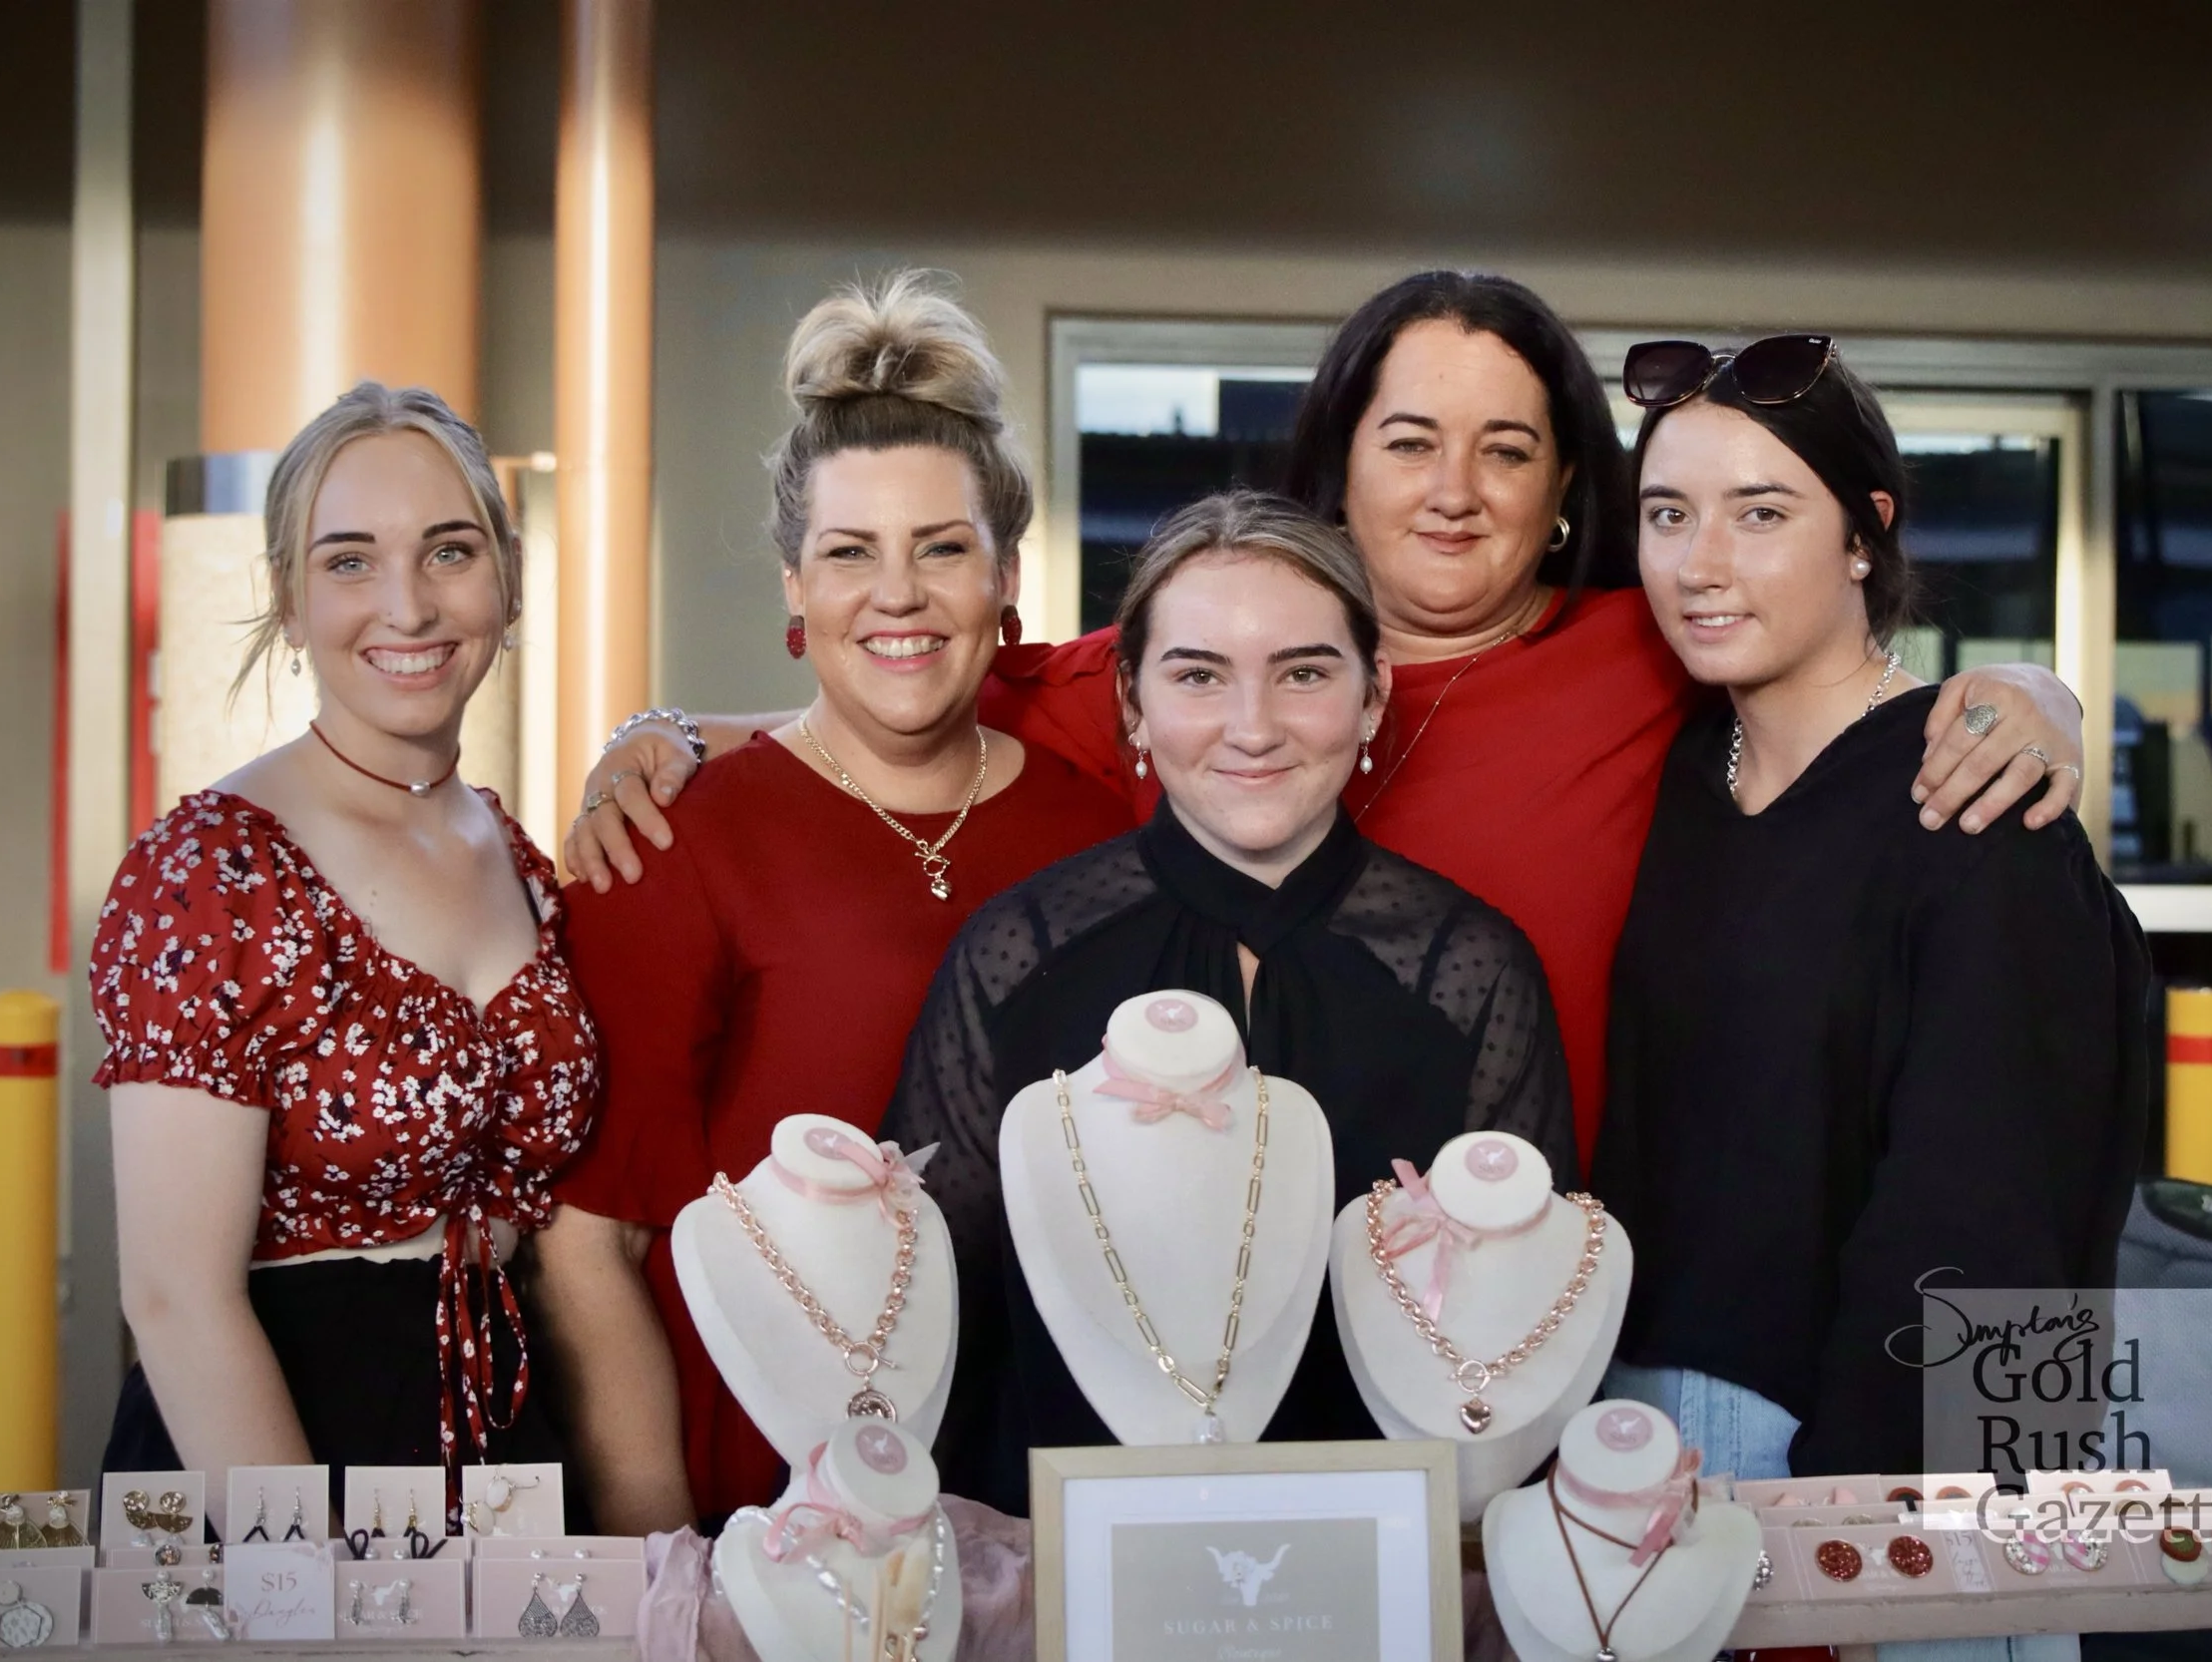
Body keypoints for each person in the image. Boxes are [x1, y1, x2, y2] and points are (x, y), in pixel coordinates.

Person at [565, 272, 2090, 1162]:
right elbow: (906, 673)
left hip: (1570, 1271)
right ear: (1339, 460)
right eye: (1410, 439)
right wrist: (673, 730)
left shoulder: (1647, 648)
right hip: (1231, 1271)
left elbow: (1814, 644)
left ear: (1568, 488)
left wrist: (2032, 688)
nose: (1455, 489)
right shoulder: (1194, 664)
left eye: (1508, 449)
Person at [531, 273, 1130, 1532]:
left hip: (1043, 1473)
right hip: (764, 1493)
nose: (895, 594)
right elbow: (592, 1245)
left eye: (941, 548)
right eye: (849, 552)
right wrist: (665, 1563)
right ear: (794, 588)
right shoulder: (674, 840)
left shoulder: (1099, 832)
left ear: (1006, 573)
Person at [877, 490, 1578, 1514]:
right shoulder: (1017, 953)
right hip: (1064, 1547)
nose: (1253, 728)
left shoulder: (1469, 968)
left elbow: (1522, 1327)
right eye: (1199, 675)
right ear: (1132, 700)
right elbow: (928, 1316)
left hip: (1376, 1553)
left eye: (1304, 672)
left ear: (1374, 693)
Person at [1588, 336, 2147, 1498]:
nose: (1699, 564)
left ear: (1862, 534)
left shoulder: (1974, 797)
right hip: (1623, 1412)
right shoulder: (1676, 775)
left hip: (1855, 1445)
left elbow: (2001, 1208)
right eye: (1666, 514)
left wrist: (1898, 1508)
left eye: (1761, 513)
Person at [91, 384, 596, 1523]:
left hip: (503, 1446)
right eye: (351, 561)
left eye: (449, 551)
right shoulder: (211, 870)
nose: (408, 606)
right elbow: (171, 1297)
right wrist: (308, 1582)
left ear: (510, 576)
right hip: (265, 1470)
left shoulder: (516, 855)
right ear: (288, 596)